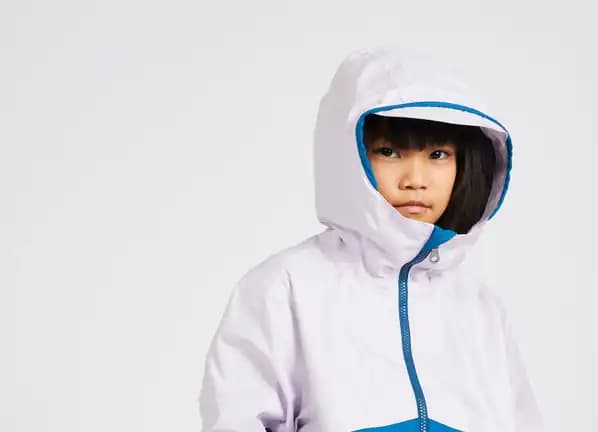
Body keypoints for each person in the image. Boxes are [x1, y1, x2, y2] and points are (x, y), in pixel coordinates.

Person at [198, 47, 545, 432]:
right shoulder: (285, 288)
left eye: (437, 154)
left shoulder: (480, 308)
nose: (415, 179)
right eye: (389, 152)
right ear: (348, 157)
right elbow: (237, 420)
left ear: (466, 162)